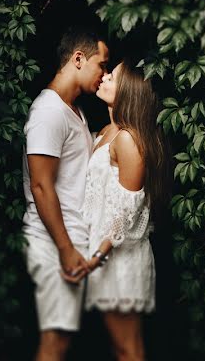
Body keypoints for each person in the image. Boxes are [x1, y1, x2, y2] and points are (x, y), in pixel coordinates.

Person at [22, 27, 109, 360]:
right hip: (55, 243)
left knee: (62, 340)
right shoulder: (49, 111)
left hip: (72, 240)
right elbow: (41, 185)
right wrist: (65, 248)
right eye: (101, 64)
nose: (103, 74)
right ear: (78, 59)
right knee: (55, 342)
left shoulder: (74, 111)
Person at [82, 60, 170, 361]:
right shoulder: (108, 130)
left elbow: (125, 211)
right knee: (117, 346)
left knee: (128, 348)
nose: (104, 76)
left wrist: (95, 258)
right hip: (105, 255)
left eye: (113, 76)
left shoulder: (129, 140)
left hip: (121, 260)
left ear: (129, 92)